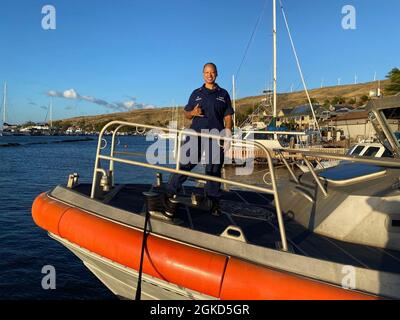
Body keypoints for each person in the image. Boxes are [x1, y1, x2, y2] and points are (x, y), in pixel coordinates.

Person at [166, 62, 234, 217]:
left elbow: (228, 116)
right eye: (206, 72)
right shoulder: (196, 93)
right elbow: (186, 113)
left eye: (212, 72)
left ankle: (213, 203)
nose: (209, 75)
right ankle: (170, 192)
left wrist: (228, 133)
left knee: (213, 169)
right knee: (186, 164)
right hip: (195, 135)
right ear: (203, 74)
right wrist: (193, 112)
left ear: (216, 74)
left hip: (216, 136)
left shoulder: (223, 94)